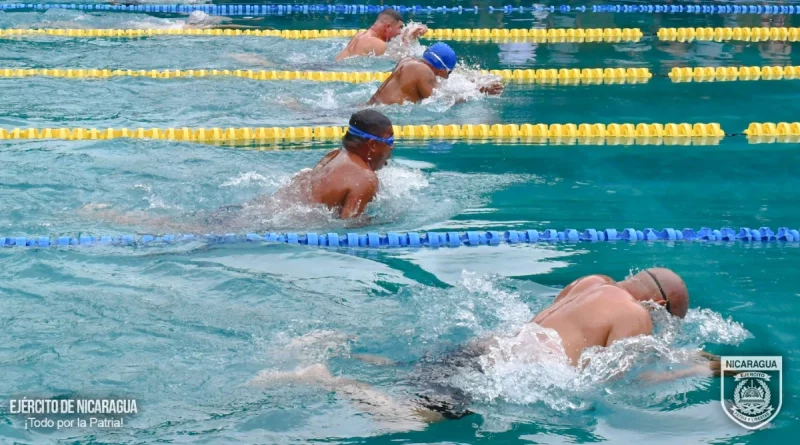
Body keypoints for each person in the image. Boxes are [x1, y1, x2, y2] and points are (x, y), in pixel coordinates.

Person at [252, 268, 720, 429]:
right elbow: (620, 384)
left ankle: (339, 348)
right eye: (665, 318)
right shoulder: (636, 316)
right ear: (657, 303)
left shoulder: (590, 282)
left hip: (489, 347)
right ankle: (327, 378)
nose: (659, 326)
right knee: (405, 416)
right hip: (502, 372)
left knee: (411, 369)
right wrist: (694, 371)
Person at [82, 110, 394, 230]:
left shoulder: (333, 155)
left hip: (263, 205)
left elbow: (302, 185)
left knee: (185, 225)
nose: (392, 149)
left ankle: (110, 216)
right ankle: (112, 220)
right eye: (390, 142)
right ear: (372, 146)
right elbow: (346, 227)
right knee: (182, 234)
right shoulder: (365, 178)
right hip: (269, 223)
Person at [367, 42, 504, 105]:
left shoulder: (409, 61)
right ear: (441, 69)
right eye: (448, 73)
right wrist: (479, 91)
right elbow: (440, 102)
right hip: (381, 114)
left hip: (370, 108)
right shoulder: (423, 72)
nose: (447, 76)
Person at [335, 8, 428, 61]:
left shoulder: (360, 35)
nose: (400, 32)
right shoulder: (377, 44)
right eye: (399, 27)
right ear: (388, 27)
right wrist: (408, 39)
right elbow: (405, 60)